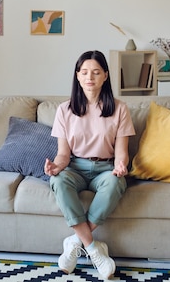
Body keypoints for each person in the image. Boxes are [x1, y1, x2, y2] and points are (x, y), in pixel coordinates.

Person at [44, 50, 134, 279]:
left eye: (95, 72)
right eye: (84, 72)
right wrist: (56, 166)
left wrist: (120, 166)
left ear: (105, 75)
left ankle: (76, 241)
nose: (89, 77)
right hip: (75, 167)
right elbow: (64, 154)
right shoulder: (64, 110)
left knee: (115, 183)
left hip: (105, 168)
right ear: (77, 76)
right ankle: (94, 249)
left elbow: (122, 153)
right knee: (58, 180)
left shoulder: (120, 108)